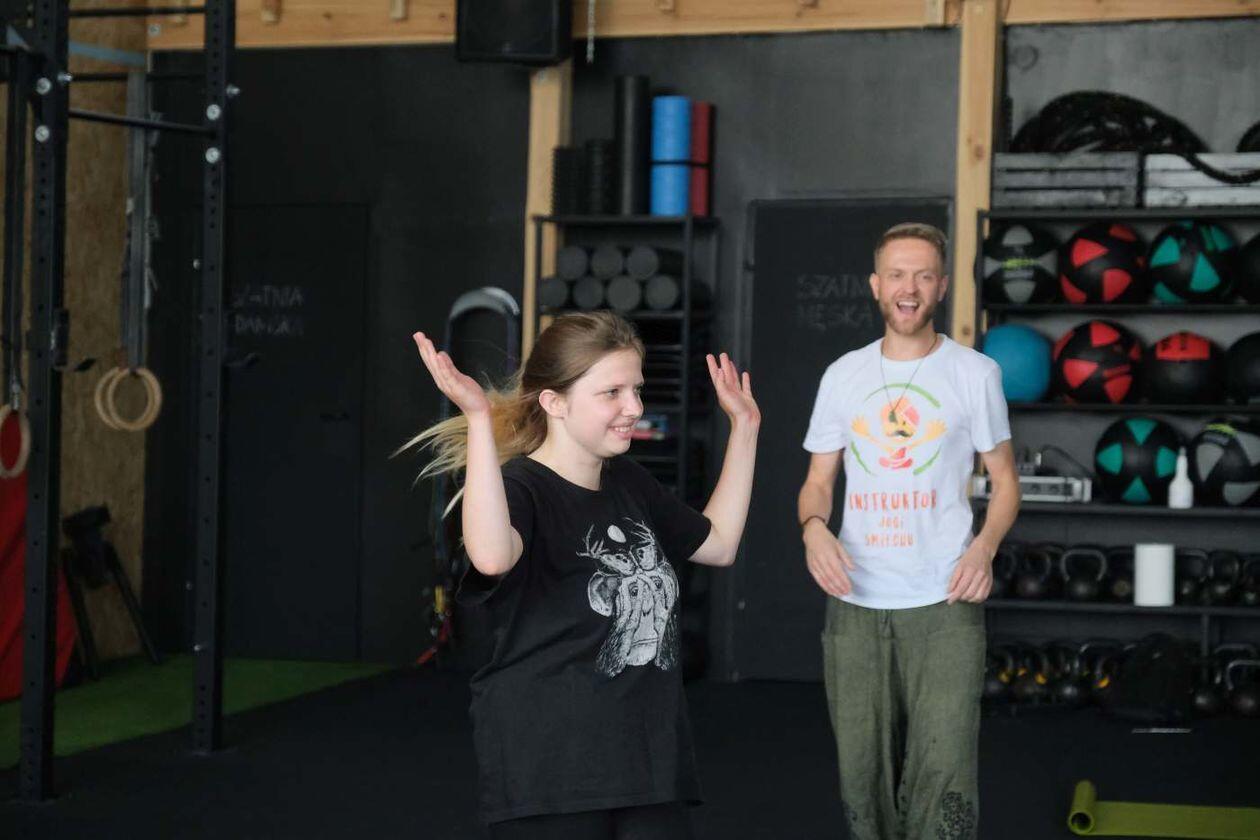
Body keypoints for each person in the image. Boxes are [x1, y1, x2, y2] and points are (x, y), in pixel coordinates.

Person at [409, 310, 760, 839]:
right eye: (612, 392)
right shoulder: (522, 488)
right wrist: (479, 420)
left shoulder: (629, 482)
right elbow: (492, 558)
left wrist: (746, 429)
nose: (634, 408)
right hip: (552, 773)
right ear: (555, 403)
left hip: (646, 765)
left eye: (636, 389)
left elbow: (720, 543)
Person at [796, 222, 1020, 839]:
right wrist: (813, 528)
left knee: (944, 767)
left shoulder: (974, 373)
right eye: (897, 275)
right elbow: (817, 481)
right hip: (855, 600)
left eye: (923, 276)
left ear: (942, 286)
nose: (909, 288)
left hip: (945, 598)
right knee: (861, 773)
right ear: (876, 285)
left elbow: (1006, 482)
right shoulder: (843, 375)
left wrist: (984, 548)